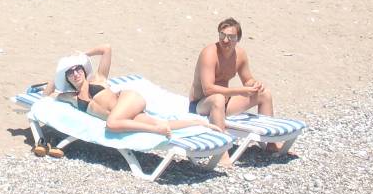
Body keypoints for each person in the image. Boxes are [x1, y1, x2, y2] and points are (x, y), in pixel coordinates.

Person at [39, 44, 220, 157]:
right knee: (162, 123)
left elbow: (106, 49)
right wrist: (59, 74)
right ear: (67, 78)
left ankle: (156, 130)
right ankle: (199, 124)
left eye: (78, 69)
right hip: (124, 117)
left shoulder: (98, 79)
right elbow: (47, 95)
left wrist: (81, 56)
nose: (75, 73)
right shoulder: (71, 98)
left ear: (84, 70)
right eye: (70, 72)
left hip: (129, 99)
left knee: (111, 124)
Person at [189, 18, 278, 164]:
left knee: (264, 93)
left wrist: (254, 85)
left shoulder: (240, 54)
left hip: (225, 104)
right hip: (201, 105)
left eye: (231, 37)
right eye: (222, 35)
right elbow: (208, 88)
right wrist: (239, 91)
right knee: (217, 98)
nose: (225, 40)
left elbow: (247, 79)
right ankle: (221, 153)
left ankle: (271, 143)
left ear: (238, 39)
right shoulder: (209, 54)